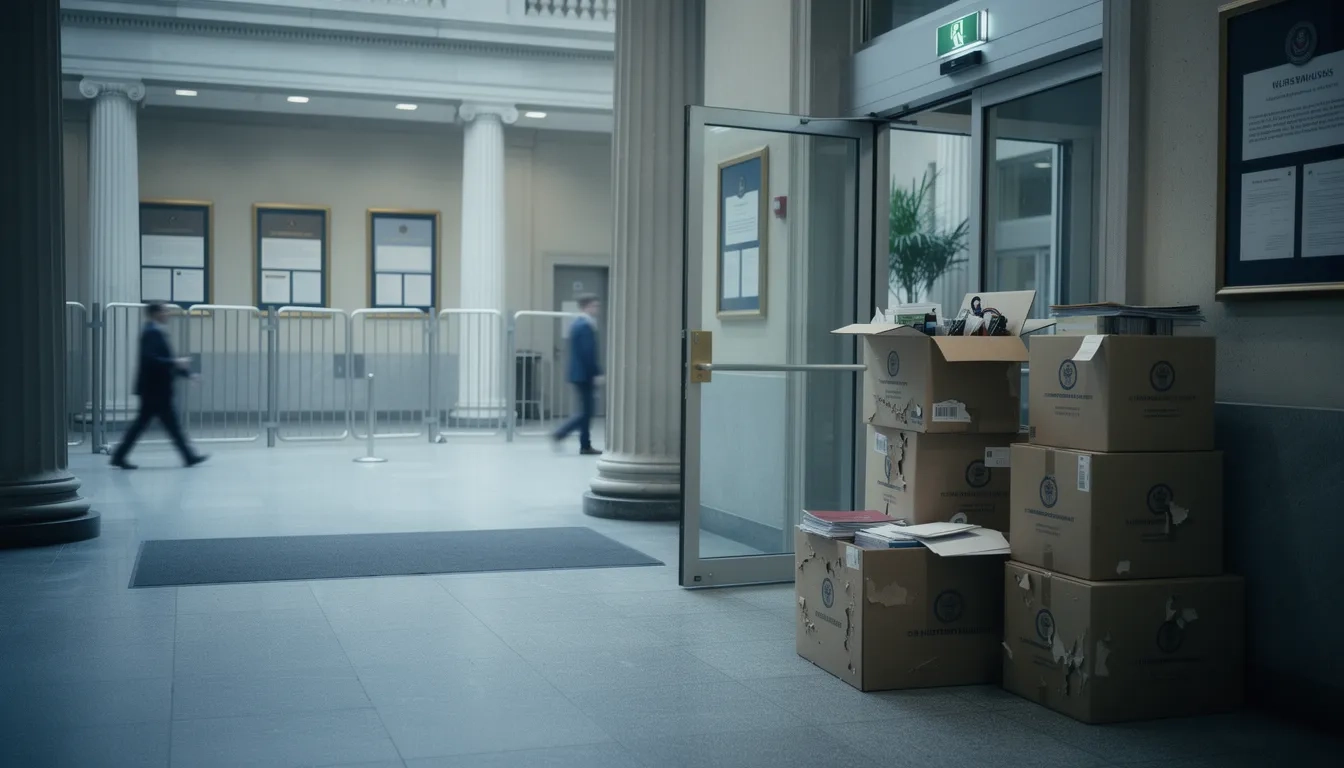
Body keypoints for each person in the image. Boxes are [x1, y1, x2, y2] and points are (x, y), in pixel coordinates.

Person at [110, 303, 208, 469]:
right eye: (164, 311)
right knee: (165, 425)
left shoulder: (154, 331)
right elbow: (151, 360)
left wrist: (188, 374)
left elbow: (163, 360)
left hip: (154, 388)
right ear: (155, 313)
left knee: (154, 424)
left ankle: (120, 455)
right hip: (154, 389)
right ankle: (188, 456)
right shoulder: (151, 333)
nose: (167, 313)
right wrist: (176, 362)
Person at [553, 294, 603, 456]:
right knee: (587, 411)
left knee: (586, 411)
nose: (597, 309)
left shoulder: (578, 324)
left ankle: (584, 444)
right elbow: (587, 353)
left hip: (579, 374)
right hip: (584, 374)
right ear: (586, 306)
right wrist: (596, 372)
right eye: (595, 306)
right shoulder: (584, 326)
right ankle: (562, 433)